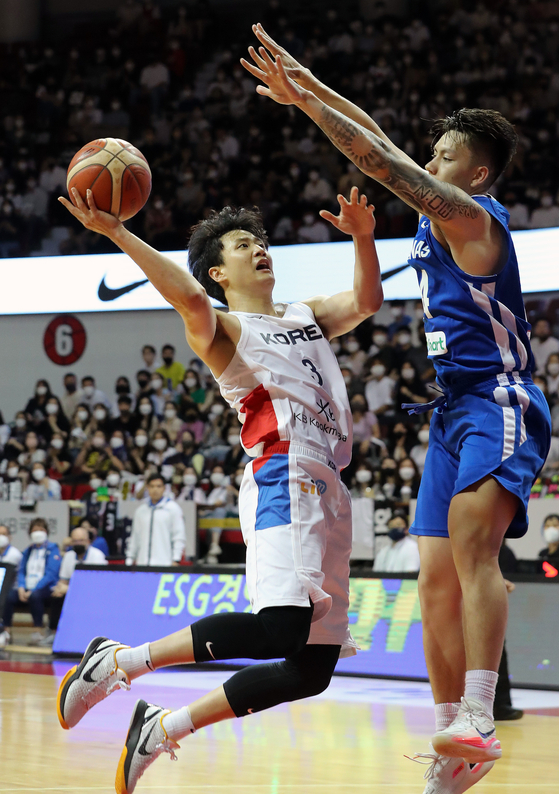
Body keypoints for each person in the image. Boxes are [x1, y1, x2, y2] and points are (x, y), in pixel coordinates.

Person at [243, 25, 551, 792]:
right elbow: (379, 139)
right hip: (449, 413)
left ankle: (479, 713)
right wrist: (305, 81)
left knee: (475, 551)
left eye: (442, 156)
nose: (428, 162)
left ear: (474, 173)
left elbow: (378, 160)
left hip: (498, 399)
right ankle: (452, 741)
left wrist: (304, 105)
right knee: (432, 581)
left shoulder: (472, 218)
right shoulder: (436, 215)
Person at [56, 171, 382, 793]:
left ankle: (164, 725)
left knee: (312, 668)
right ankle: (120, 661)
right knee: (280, 628)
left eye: (260, 241)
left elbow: (367, 300)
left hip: (331, 487)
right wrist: (119, 232)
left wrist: (363, 237)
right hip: (284, 472)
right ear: (217, 273)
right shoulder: (223, 328)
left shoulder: (306, 315)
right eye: (241, 245)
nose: (258, 248)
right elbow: (188, 298)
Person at [2, 518, 61, 645]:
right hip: (27, 587)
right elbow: (21, 571)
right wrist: (21, 587)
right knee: (8, 596)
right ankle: (6, 631)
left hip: (45, 588)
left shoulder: (52, 549)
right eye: (35, 530)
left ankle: (37, 631)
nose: (38, 533)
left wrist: (34, 589)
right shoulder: (28, 551)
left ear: (46, 532)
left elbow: (51, 574)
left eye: (41, 530)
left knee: (35, 596)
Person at [48, 526, 107, 645]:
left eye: (81, 540)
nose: (78, 544)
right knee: (56, 597)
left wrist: (69, 589)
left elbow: (97, 585)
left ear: (88, 541)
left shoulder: (97, 556)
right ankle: (55, 634)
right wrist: (60, 589)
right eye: (75, 541)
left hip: (93, 594)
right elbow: (63, 580)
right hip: (73, 593)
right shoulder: (69, 556)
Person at [125, 473, 186, 566]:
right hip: (142, 563)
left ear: (164, 488)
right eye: (152, 486)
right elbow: (135, 536)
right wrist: (130, 558)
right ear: (147, 488)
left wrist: (176, 558)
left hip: (164, 563)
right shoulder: (141, 510)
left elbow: (179, 535)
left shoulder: (173, 509)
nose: (155, 489)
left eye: (158, 486)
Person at [0, 524, 23, 646]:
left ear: (9, 537)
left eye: (4, 534)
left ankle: (5, 629)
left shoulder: (15, 554)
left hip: (13, 588)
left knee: (7, 598)